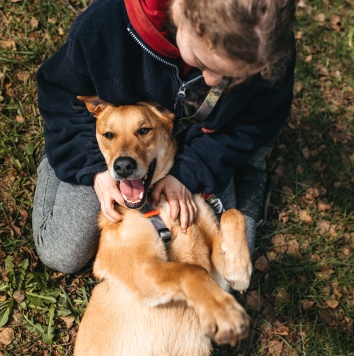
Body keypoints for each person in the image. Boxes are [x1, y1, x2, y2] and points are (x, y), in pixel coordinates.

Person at [33, 0, 296, 274]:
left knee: (230, 270)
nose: (211, 81)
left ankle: (252, 171)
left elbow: (257, 120)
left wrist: (190, 170)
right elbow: (60, 97)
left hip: (207, 144)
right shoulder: (104, 24)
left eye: (233, 77)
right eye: (205, 62)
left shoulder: (266, 39)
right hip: (108, 144)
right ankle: (62, 152)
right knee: (61, 253)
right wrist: (90, 165)